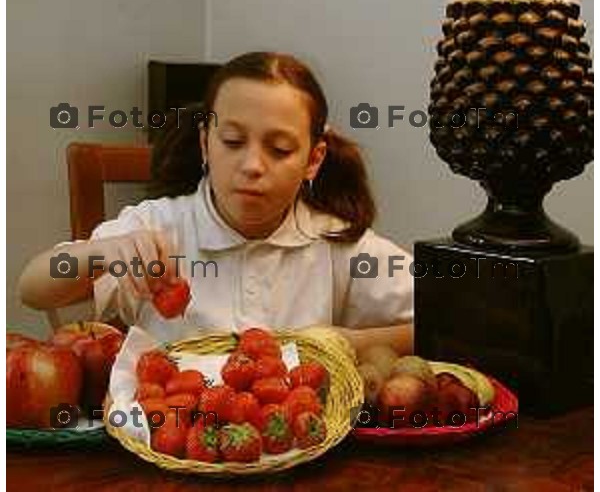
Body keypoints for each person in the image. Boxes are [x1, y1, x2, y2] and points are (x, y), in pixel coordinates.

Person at [18, 51, 414, 355]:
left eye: (279, 149)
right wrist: (100, 253)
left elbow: (446, 320)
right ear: (206, 143)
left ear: (313, 159)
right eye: (233, 142)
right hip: (170, 441)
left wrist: (344, 342)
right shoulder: (159, 227)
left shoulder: (336, 243)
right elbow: (33, 287)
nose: (253, 166)